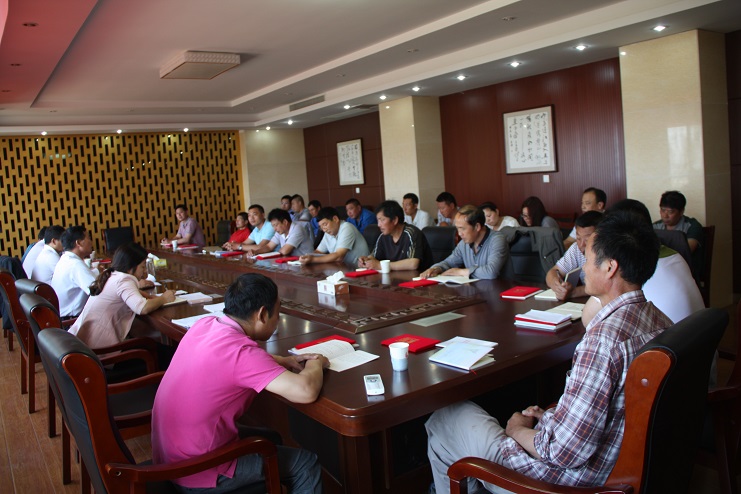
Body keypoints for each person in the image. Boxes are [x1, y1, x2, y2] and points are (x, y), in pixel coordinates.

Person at [426, 209, 672, 494]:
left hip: (560, 483)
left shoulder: (603, 341)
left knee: (444, 418)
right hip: (619, 465)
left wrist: (516, 430)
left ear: (609, 268)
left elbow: (564, 453)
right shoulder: (661, 320)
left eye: (587, 258)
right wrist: (552, 418)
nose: (583, 267)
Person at [152, 273, 327, 492]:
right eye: (277, 312)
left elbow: (231, 360)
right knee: (305, 464)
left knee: (270, 437)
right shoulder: (240, 353)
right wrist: (316, 362)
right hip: (199, 469)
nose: (278, 319)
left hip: (171, 455)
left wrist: (282, 360)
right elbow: (306, 391)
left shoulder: (206, 324)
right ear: (262, 314)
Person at [582, 199, 705, 327]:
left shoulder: (627, 268)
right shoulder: (675, 256)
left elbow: (588, 319)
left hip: (672, 339)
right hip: (695, 337)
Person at [69, 243, 176, 349]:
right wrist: (164, 298)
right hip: (99, 351)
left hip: (82, 344)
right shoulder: (124, 280)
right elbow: (142, 308)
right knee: (162, 349)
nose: (145, 271)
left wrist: (145, 295)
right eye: (143, 267)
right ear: (131, 266)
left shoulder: (112, 275)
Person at [419, 205, 508, 280]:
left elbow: (491, 272)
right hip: (475, 291)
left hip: (500, 291)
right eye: (457, 228)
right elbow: (449, 262)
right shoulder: (464, 243)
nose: (459, 233)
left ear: (477, 227)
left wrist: (461, 272)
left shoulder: (497, 240)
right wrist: (436, 268)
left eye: (462, 229)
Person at [358, 200, 433, 272]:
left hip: (419, 277)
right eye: (378, 220)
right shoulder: (383, 236)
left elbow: (413, 264)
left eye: (382, 220)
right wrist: (366, 260)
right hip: (394, 277)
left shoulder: (412, 233)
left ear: (394, 220)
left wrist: (381, 265)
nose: (379, 225)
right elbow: (374, 256)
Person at [545, 211, 603, 300]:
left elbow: (604, 287)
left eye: (587, 240)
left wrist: (574, 292)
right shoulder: (576, 249)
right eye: (578, 238)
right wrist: (557, 285)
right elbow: (553, 271)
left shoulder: (607, 251)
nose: (581, 245)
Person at [50, 226, 100, 318]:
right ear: (78, 243)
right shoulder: (75, 264)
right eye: (88, 238)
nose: (91, 242)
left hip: (64, 317)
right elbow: (97, 290)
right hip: (72, 321)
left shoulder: (66, 259)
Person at [299, 206, 369, 266]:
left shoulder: (347, 227)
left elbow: (339, 256)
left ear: (335, 219)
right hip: (342, 269)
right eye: (321, 227)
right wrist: (308, 257)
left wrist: (313, 259)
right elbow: (319, 252)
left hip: (359, 270)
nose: (324, 229)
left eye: (325, 224)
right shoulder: (328, 232)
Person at [245, 208, 314, 257]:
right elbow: (269, 246)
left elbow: (285, 251)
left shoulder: (297, 229)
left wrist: (272, 254)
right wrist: (256, 252)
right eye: (273, 226)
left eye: (276, 225)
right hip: (292, 262)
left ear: (285, 222)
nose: (274, 229)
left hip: (306, 262)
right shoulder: (280, 231)